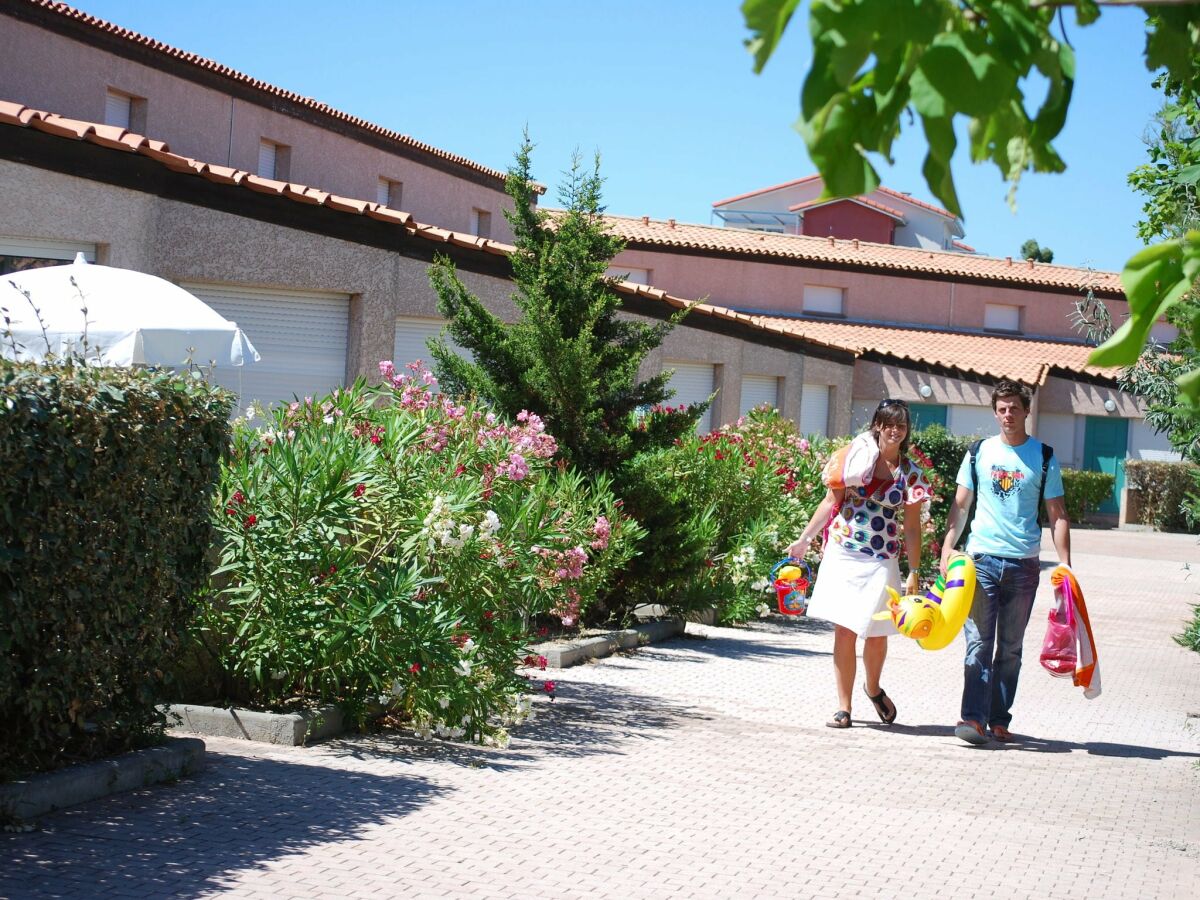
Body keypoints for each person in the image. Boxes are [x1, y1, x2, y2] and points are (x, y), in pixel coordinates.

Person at [940, 380, 1071, 746]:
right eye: (1002, 408)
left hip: (1024, 565)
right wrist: (947, 547)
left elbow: (1057, 513)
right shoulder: (979, 452)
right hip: (981, 560)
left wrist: (1066, 565)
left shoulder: (1044, 457)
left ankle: (999, 720)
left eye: (1014, 407)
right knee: (978, 643)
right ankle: (973, 719)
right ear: (995, 412)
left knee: (1010, 648)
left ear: (1026, 410)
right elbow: (961, 504)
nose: (1008, 414)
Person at [787, 399, 931, 729]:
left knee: (877, 632)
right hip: (844, 551)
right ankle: (844, 707)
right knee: (845, 630)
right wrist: (805, 538)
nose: (895, 430)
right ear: (877, 426)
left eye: (901, 425)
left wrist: (914, 571)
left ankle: (873, 687)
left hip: (882, 558)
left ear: (906, 431)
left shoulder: (910, 474)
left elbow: (911, 527)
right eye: (888, 424)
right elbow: (830, 502)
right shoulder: (855, 460)